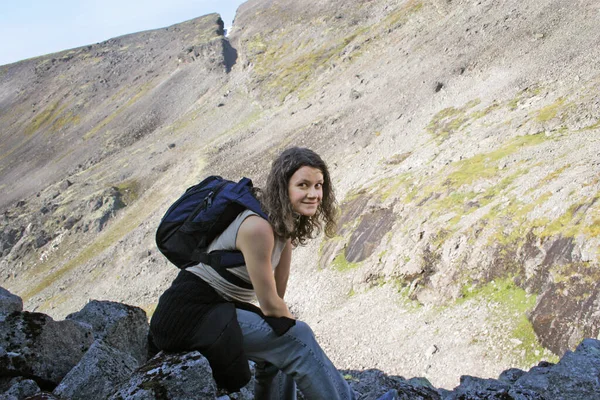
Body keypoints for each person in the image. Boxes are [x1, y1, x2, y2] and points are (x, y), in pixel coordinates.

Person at [149, 147, 356, 400]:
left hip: (216, 307)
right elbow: (270, 306)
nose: (314, 194)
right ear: (283, 187)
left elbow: (277, 299)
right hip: (185, 315)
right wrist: (299, 337)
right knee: (296, 337)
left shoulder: (283, 229)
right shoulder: (257, 228)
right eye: (303, 185)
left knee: (285, 338)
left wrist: (288, 328)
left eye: (318, 185)